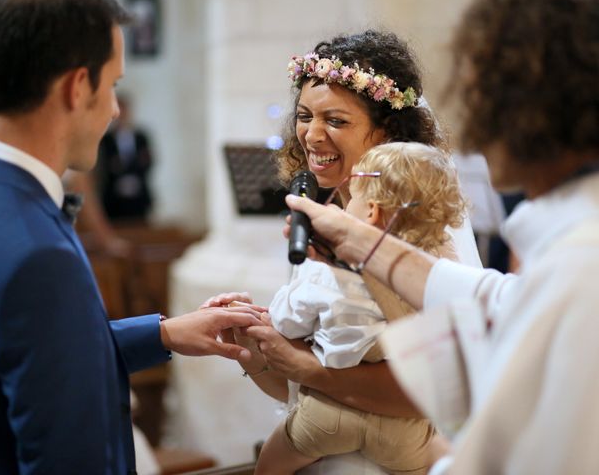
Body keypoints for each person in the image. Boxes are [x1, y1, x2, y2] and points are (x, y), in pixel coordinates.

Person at [283, 0, 599, 473]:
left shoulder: (588, 268)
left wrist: (437, 453)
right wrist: (361, 245)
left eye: (480, 94)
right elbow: (499, 300)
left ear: (532, 111)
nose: (474, 128)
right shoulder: (580, 249)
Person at [0, 0, 262, 473]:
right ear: (77, 86)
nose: (112, 109)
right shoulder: (40, 259)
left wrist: (162, 333)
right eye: (113, 85)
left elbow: (23, 352)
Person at [202, 30, 481, 474]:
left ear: (386, 131)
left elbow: (436, 387)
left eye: (336, 120)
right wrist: (258, 352)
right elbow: (309, 387)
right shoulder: (325, 214)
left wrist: (305, 367)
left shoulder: (416, 230)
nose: (311, 135)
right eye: (304, 116)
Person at [255, 142, 466, 474]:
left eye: (351, 197)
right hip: (403, 429)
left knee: (274, 456)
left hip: (328, 413)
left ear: (371, 211)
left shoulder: (327, 266)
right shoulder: (430, 273)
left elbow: (287, 322)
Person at [96, 94, 154, 220]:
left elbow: (148, 161)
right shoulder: (106, 140)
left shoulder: (141, 137)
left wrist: (122, 166)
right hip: (114, 200)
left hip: (139, 198)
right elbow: (105, 166)